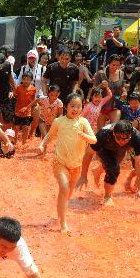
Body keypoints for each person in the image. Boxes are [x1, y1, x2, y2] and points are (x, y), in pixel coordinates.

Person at [39, 93, 97, 232]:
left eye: (78, 106)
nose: (75, 109)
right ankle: (63, 223)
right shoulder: (59, 121)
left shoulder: (83, 122)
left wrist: (85, 136)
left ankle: (60, 214)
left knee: (67, 194)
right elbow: (49, 135)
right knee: (64, 189)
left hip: (76, 164)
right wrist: (42, 144)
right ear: (66, 107)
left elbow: (94, 140)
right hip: (60, 161)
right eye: (72, 106)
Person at [76, 119, 140, 206]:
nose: (122, 141)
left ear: (131, 135)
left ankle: (97, 170)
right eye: (119, 138)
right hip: (104, 148)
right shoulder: (103, 135)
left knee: (113, 165)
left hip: (121, 150)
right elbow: (88, 154)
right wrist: (83, 175)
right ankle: (107, 197)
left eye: (126, 139)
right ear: (113, 133)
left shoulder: (137, 138)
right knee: (114, 169)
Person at [12, 71, 38, 144]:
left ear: (31, 80)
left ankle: (24, 142)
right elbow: (14, 95)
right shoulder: (19, 87)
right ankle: (15, 141)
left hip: (27, 112)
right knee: (16, 127)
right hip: (18, 111)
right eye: (24, 79)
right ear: (22, 80)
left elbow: (34, 100)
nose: (26, 81)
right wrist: (12, 93)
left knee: (25, 128)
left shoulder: (33, 89)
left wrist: (28, 107)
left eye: (28, 79)